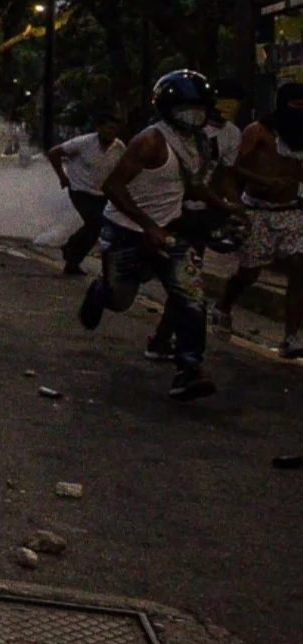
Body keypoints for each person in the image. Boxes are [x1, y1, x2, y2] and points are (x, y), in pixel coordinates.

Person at [81, 69, 223, 401]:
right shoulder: (149, 141)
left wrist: (225, 208)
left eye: (199, 109)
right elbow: (113, 186)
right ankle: (101, 291)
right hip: (126, 231)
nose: (194, 116)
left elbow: (194, 185)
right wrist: (148, 226)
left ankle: (189, 368)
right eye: (187, 109)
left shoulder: (199, 144)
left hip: (170, 232)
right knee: (120, 299)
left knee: (191, 297)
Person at [215, 82, 303, 358]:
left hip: (291, 210)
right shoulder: (258, 132)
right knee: (250, 271)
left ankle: (292, 336)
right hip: (259, 211)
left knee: (300, 266)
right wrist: (262, 182)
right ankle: (224, 305)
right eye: (295, 106)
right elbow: (233, 167)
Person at [46, 110, 126, 277]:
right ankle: (71, 250)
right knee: (95, 223)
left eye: (114, 129)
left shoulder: (119, 148)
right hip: (80, 190)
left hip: (102, 193)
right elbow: (54, 153)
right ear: (99, 128)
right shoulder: (83, 142)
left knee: (98, 227)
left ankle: (72, 259)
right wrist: (62, 177)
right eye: (108, 128)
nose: (111, 132)